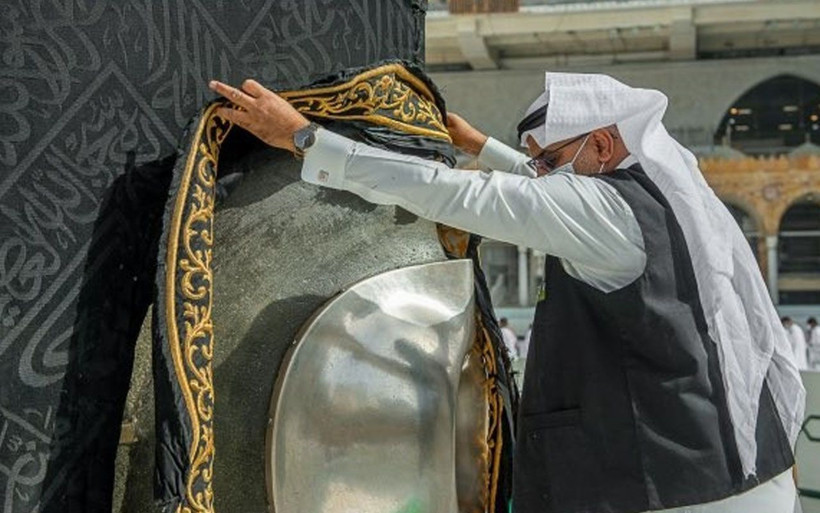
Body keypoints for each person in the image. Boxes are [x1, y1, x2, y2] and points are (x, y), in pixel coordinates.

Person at [208, 73, 805, 513]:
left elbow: (458, 196)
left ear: (600, 145)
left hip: (674, 489)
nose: (538, 172)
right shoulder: (668, 194)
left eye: (548, 159)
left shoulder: (605, 209)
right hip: (742, 475)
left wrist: (311, 141)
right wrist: (482, 146)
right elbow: (548, 192)